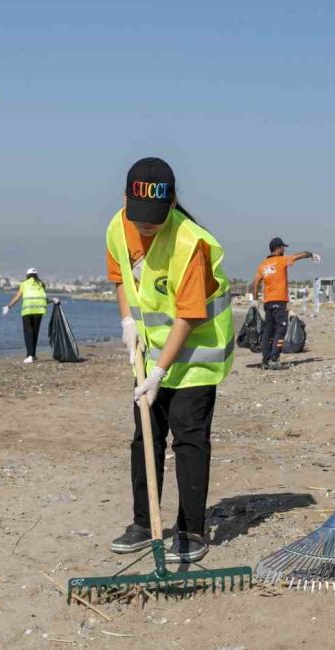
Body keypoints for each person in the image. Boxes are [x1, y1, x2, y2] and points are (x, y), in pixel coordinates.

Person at [105, 157, 234, 562]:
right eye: (139, 217)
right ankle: (144, 523)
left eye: (155, 219)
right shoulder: (117, 227)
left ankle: (192, 530)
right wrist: (127, 321)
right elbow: (120, 278)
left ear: (172, 202)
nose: (146, 226)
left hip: (195, 352)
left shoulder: (189, 242)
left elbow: (189, 314)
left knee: (189, 437)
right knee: (146, 434)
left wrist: (161, 371)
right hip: (149, 351)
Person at [250, 238, 321, 370]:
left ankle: (265, 360)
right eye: (283, 248)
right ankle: (274, 359)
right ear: (278, 248)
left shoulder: (263, 265)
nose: (284, 250)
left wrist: (255, 300)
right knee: (281, 330)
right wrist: (311, 254)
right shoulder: (282, 260)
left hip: (268, 303)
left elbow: (255, 284)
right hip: (280, 302)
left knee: (268, 331)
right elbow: (300, 255)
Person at [2, 269, 58, 363]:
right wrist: (53, 300)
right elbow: (42, 299)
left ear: (27, 276)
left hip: (27, 310)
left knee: (28, 332)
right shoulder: (41, 284)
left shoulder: (24, 284)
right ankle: (33, 355)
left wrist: (8, 307)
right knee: (35, 332)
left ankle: (30, 355)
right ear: (36, 275)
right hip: (39, 310)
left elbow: (17, 297)